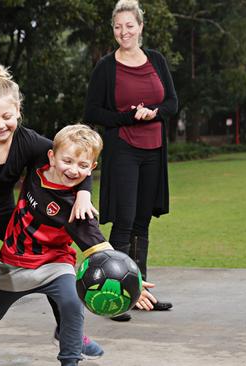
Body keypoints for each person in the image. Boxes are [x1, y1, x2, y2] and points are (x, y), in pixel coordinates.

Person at [0, 60, 101, 366]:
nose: (0, 125)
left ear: (18, 112)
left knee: (52, 252)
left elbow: (74, 155)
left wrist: (83, 192)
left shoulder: (28, 141)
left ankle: (68, 330)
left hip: (4, 211)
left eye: (7, 116)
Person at [0, 124, 158, 366]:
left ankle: (70, 359)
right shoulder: (37, 164)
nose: (73, 169)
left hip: (55, 264)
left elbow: (101, 248)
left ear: (92, 169)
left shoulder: (78, 210)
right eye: (67, 161)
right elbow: (19, 136)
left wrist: (131, 283)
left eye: (83, 166)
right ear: (51, 157)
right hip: (15, 261)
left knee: (71, 303)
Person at [83, 0, 178, 322]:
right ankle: (117, 297)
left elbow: (172, 102)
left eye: (129, 25)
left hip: (153, 149)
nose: (124, 32)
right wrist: (126, 117)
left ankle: (141, 293)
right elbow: (92, 113)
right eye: (118, 27)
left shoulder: (157, 60)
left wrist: (155, 112)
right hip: (123, 147)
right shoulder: (106, 67)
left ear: (140, 27)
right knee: (123, 222)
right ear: (114, 30)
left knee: (142, 222)